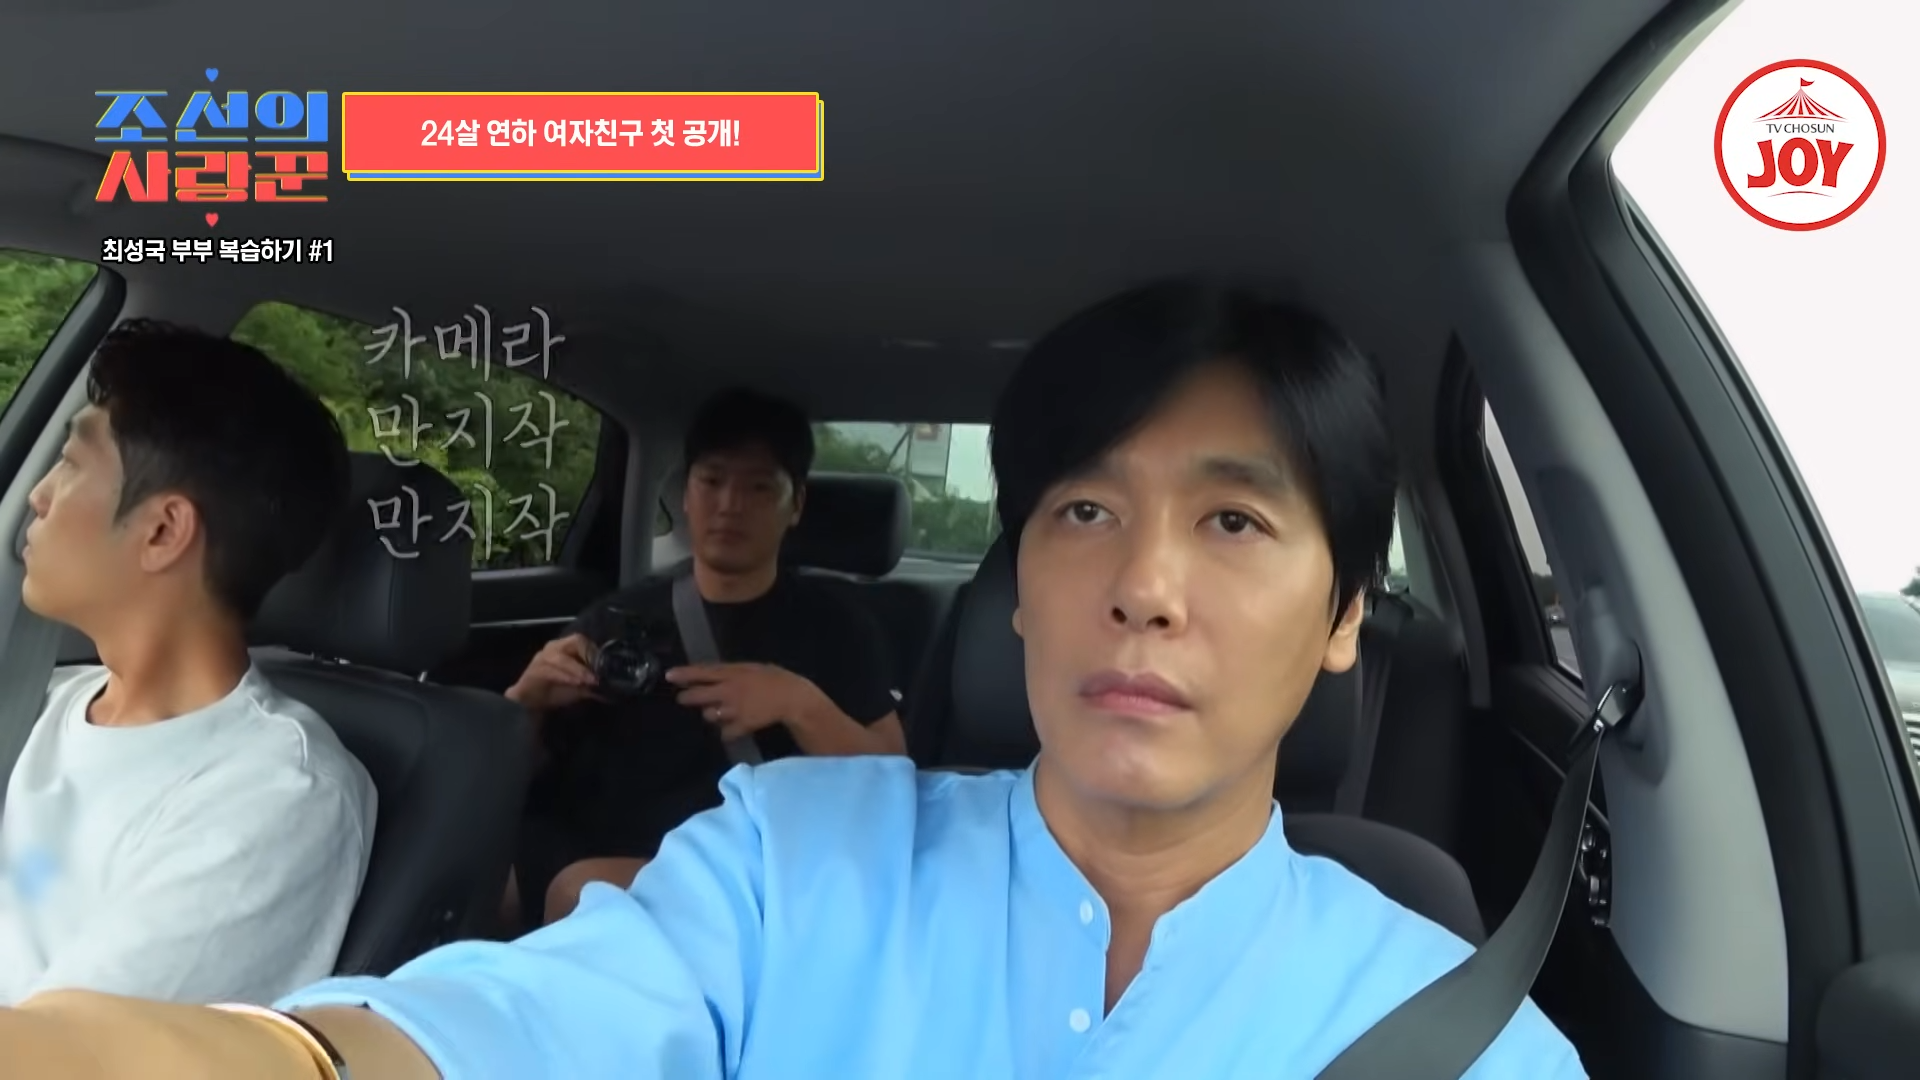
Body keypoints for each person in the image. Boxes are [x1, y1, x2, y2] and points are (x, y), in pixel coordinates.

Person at [0, 281, 1583, 1078]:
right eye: (1083, 513)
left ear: (1344, 615)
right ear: (1020, 588)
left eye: (1233, 522)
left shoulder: (1460, 1038)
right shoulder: (783, 865)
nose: (1145, 588)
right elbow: (496, 1028)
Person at [0, 320, 374, 1008]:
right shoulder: (40, 698)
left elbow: (70, 1050)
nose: (38, 495)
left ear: (163, 531)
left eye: (71, 464)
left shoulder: (278, 793)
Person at [503, 386, 906, 929]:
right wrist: (525, 702)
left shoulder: (837, 627)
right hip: (580, 840)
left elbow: (894, 780)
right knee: (476, 864)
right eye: (712, 481)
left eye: (759, 487)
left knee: (582, 892)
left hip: (733, 867)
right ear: (686, 495)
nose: (730, 504)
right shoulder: (613, 617)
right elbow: (515, 773)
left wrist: (798, 704)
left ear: (796, 505)